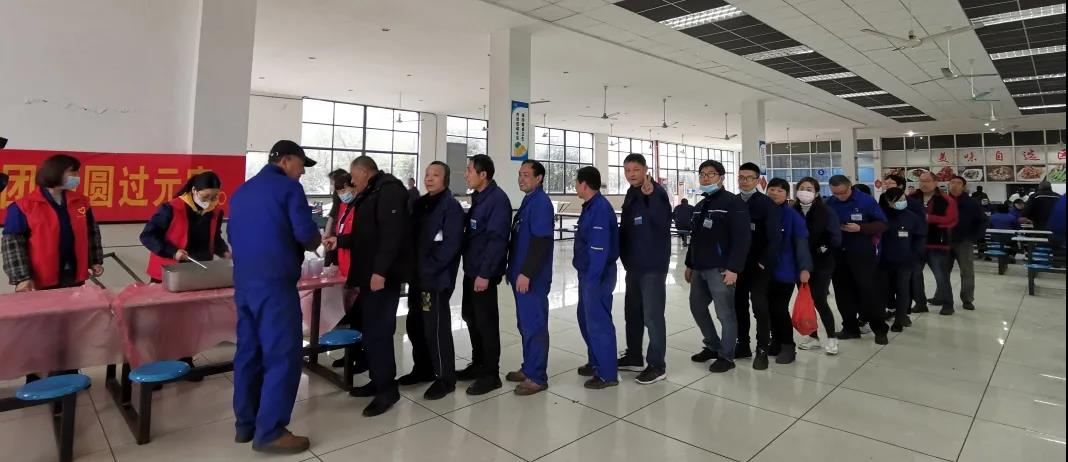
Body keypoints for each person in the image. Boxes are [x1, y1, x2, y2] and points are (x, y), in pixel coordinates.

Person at [227, 140, 320, 454]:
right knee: (282, 355)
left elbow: (232, 236)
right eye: (301, 166)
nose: (302, 173)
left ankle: (246, 424)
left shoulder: (242, 192)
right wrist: (316, 239)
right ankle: (271, 431)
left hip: (244, 285)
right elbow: (306, 234)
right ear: (287, 161)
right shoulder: (288, 189)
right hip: (275, 285)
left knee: (248, 353)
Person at [343, 155, 413, 416]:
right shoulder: (371, 192)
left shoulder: (389, 191)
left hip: (382, 277)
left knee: (380, 332)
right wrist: (339, 241)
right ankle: (377, 379)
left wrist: (380, 271)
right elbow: (366, 234)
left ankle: (387, 390)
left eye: (353, 176)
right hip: (368, 275)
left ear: (364, 172)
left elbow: (392, 235)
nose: (352, 182)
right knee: (371, 331)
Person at [397, 161, 464, 400]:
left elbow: (450, 246)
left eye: (435, 175)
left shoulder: (451, 207)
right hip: (417, 277)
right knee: (415, 325)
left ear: (445, 179)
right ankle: (423, 368)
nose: (430, 178)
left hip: (435, 279)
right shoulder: (419, 204)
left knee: (435, 328)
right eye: (427, 174)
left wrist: (428, 269)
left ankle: (446, 378)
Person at [3, 154, 104, 292]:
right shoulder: (23, 206)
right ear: (56, 172)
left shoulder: (81, 201)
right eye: (73, 172)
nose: (77, 176)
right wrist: (22, 278)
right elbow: (12, 244)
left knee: (75, 305)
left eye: (78, 172)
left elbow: (92, 232)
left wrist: (95, 261)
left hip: (74, 273)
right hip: (41, 277)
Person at [685, 160, 750, 373]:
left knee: (725, 314)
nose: (705, 178)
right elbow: (695, 238)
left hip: (721, 269)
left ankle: (727, 356)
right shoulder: (700, 206)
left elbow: (742, 239)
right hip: (699, 268)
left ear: (721, 177)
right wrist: (689, 264)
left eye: (710, 174)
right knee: (697, 307)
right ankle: (713, 345)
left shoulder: (733, 203)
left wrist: (734, 268)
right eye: (702, 174)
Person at [458, 154, 512, 396]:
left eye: (469, 170)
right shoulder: (480, 198)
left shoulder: (497, 200)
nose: (466, 174)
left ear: (483, 175)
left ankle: (491, 374)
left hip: (483, 274)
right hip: (472, 270)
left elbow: (497, 241)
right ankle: (478, 364)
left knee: (486, 323)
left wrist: (485, 274)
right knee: (470, 317)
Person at [618, 154, 672, 385]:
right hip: (634, 265)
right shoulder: (631, 192)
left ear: (645, 170)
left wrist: (650, 198)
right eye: (627, 170)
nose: (631, 174)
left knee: (652, 316)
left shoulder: (656, 192)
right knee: (633, 313)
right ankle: (634, 356)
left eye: (636, 170)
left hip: (652, 266)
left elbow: (663, 222)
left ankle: (657, 365)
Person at [507, 160, 555, 395]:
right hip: (520, 274)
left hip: (532, 278)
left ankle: (537, 377)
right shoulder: (529, 200)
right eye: (520, 174)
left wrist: (526, 273)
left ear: (539, 178)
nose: (521, 179)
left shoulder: (541, 203)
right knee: (525, 324)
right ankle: (529, 367)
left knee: (534, 325)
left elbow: (541, 241)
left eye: (526, 175)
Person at [572, 167, 621, 389]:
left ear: (584, 184)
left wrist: (592, 278)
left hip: (597, 274)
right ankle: (596, 361)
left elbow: (598, 248)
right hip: (588, 273)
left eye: (576, 182)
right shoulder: (590, 206)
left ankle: (607, 374)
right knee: (585, 318)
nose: (575, 186)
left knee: (598, 322)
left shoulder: (599, 208)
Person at [826, 175, 890, 344]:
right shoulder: (830, 203)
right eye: (835, 193)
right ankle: (850, 328)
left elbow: (882, 224)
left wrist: (861, 228)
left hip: (862, 253)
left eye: (843, 192)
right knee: (842, 292)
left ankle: (879, 329)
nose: (840, 196)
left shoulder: (865, 201)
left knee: (869, 291)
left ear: (850, 187)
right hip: (839, 254)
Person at [732, 162, 781, 368]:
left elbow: (774, 238)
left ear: (758, 180)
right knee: (739, 305)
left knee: (759, 306)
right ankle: (742, 344)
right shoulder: (733, 202)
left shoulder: (766, 204)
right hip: (737, 265)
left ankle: (762, 349)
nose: (744, 181)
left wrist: (764, 262)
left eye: (749, 178)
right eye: (741, 178)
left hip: (759, 266)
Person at [141, 171, 230, 282]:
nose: (209, 202)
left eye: (214, 197)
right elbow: (148, 236)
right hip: (169, 272)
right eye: (205, 197)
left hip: (200, 271)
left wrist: (224, 251)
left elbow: (214, 238)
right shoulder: (171, 208)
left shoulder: (215, 212)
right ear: (194, 190)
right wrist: (173, 252)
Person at [764, 178, 812, 365]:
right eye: (772, 189)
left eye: (780, 190)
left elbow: (801, 244)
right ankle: (775, 341)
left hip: (784, 270)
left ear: (787, 195)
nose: (775, 193)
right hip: (764, 270)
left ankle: (788, 345)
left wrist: (805, 268)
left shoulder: (792, 216)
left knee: (779, 308)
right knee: (768, 308)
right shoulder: (762, 212)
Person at [793, 177, 842, 355]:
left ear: (816, 193)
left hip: (822, 262)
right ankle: (813, 336)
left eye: (810, 189)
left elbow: (835, 238)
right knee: (807, 299)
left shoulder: (826, 211)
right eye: (802, 188)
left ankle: (832, 338)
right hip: (799, 263)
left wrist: (821, 249)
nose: (805, 192)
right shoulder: (792, 210)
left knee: (819, 299)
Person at [877, 187, 925, 332]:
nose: (902, 202)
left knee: (903, 290)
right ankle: (882, 317)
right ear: (889, 202)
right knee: (884, 290)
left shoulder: (912, 217)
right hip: (884, 261)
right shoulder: (881, 216)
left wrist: (915, 255)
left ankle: (900, 319)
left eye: (903, 199)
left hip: (905, 261)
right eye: (897, 200)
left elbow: (919, 237)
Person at [910, 171, 958, 315]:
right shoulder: (912, 198)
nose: (923, 184)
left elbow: (950, 219)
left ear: (936, 182)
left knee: (941, 275)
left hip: (937, 242)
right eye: (921, 181)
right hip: (916, 242)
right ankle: (920, 303)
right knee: (915, 275)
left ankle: (948, 304)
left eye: (927, 181)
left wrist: (928, 218)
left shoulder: (945, 199)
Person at [948, 176, 987, 311]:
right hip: (945, 241)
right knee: (942, 272)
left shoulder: (971, 203)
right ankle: (943, 297)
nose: (955, 185)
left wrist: (975, 237)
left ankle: (967, 299)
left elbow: (983, 220)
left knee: (967, 272)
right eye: (952, 183)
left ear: (964, 187)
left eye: (958, 183)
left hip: (964, 242)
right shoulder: (942, 201)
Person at [323, 169, 350, 267]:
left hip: (340, 233)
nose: (331, 185)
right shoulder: (339, 194)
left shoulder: (343, 195)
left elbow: (332, 215)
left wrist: (327, 232)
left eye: (332, 182)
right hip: (338, 231)